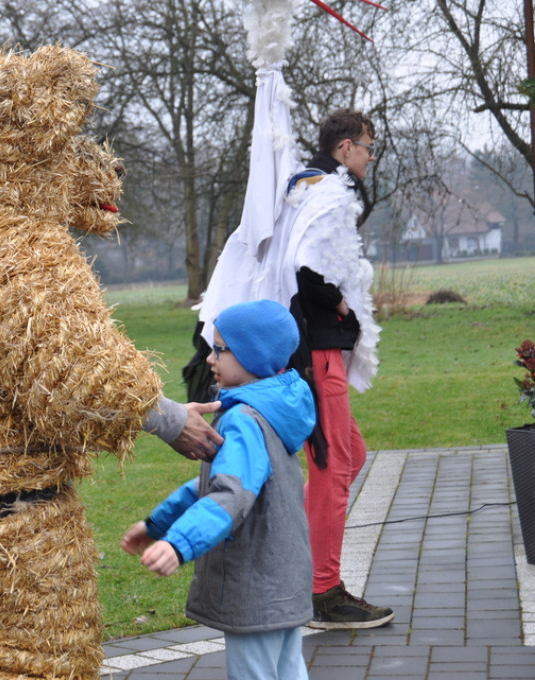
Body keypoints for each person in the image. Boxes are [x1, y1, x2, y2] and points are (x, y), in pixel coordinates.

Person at [122, 299, 315, 680]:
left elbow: (229, 494)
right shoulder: (275, 408)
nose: (210, 358)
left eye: (220, 349)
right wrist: (159, 524)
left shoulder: (243, 419)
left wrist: (179, 543)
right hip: (285, 580)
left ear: (252, 357)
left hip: (256, 585)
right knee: (288, 670)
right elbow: (212, 485)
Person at [279, 108, 392, 629]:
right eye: (368, 146)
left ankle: (300, 568)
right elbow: (305, 271)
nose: (371, 156)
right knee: (331, 466)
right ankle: (323, 591)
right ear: (345, 147)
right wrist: (342, 305)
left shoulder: (307, 185)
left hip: (316, 348)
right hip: (317, 350)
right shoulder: (327, 191)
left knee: (349, 455)